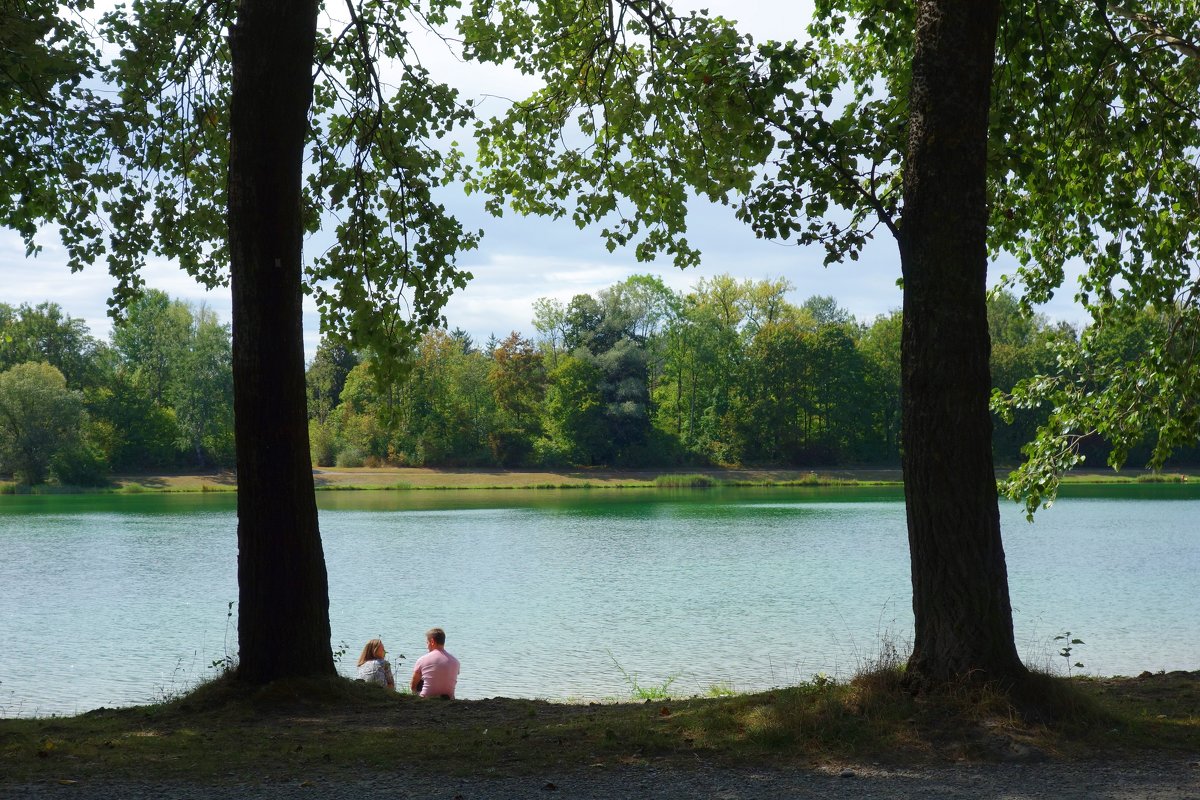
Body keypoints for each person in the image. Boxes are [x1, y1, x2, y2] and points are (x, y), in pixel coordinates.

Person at [410, 627, 460, 699]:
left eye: (427, 643)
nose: (427, 646)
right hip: (449, 698)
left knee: (420, 680)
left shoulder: (422, 660)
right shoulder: (456, 661)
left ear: (432, 642)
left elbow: (413, 686)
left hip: (426, 698)